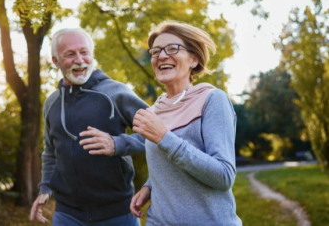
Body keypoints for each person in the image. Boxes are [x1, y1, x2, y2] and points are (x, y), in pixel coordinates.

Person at [29, 28, 147, 225]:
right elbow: (50, 153)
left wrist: (117, 144)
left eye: (84, 52)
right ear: (56, 61)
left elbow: (158, 133)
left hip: (117, 213)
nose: (79, 59)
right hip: (67, 215)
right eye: (70, 54)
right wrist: (45, 189)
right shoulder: (52, 103)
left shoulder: (116, 93)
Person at [130, 21, 242, 225]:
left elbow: (224, 176)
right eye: (155, 52)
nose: (162, 56)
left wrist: (164, 137)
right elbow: (168, 165)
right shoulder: (155, 110)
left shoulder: (212, 99)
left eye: (172, 48)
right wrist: (150, 186)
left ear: (194, 59)